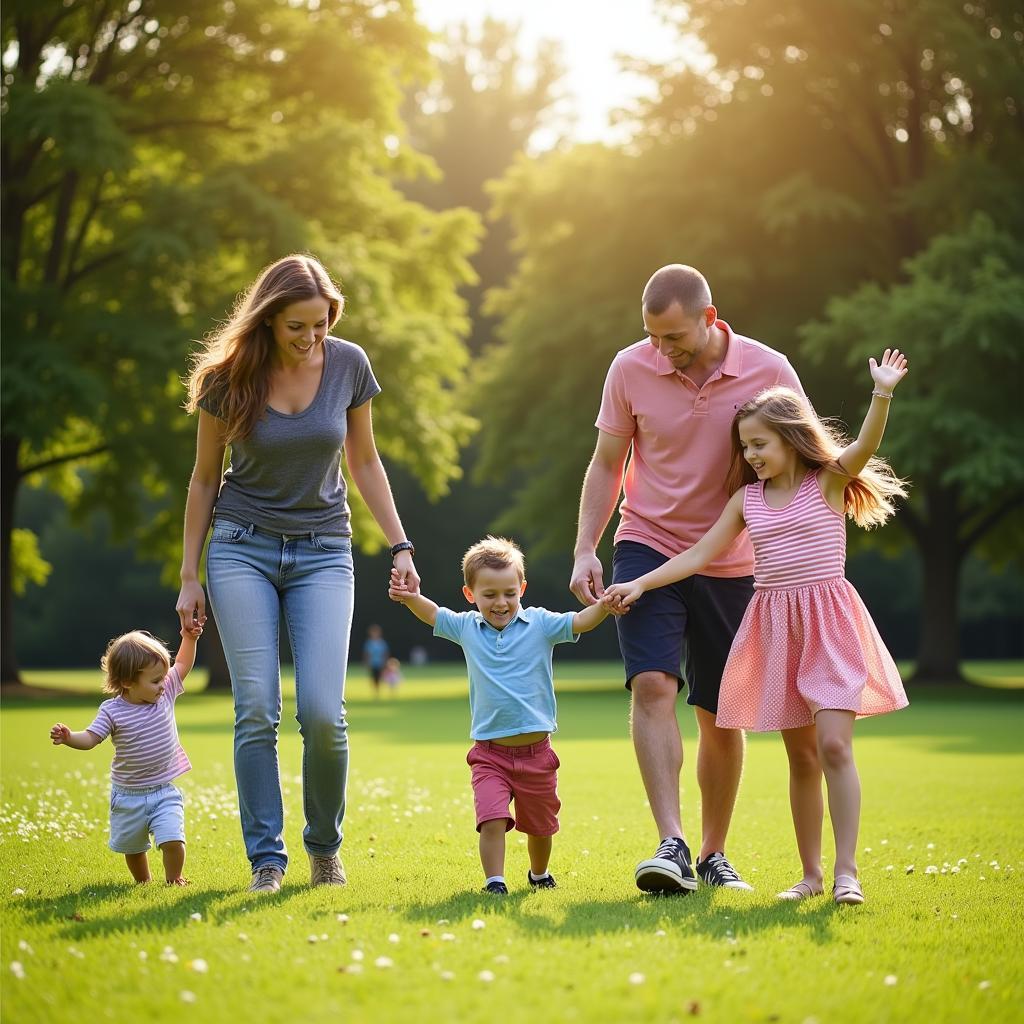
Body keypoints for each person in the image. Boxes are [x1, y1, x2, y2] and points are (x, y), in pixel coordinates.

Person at [604, 351, 911, 905]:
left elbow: (863, 446)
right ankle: (811, 875)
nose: (751, 455)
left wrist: (882, 392)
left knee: (834, 748)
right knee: (800, 756)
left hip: (829, 628)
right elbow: (697, 554)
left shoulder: (830, 482)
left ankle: (846, 873)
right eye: (744, 446)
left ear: (791, 438)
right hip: (778, 633)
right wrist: (642, 584)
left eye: (759, 444)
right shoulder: (746, 501)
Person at [175, 253, 419, 894]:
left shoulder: (348, 365)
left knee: (322, 711)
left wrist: (400, 545)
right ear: (267, 321)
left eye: (322, 322)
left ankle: (324, 848)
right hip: (240, 546)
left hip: (323, 551)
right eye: (297, 327)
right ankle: (266, 860)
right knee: (255, 707)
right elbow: (204, 479)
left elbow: (365, 461)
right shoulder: (228, 379)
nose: (312, 337)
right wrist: (188, 575)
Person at [570, 264, 804, 894]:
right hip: (648, 543)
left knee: (720, 714)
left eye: (674, 337)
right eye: (652, 336)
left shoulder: (770, 369)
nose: (661, 349)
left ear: (709, 317)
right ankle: (670, 843)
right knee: (651, 684)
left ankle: (713, 852)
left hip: (733, 559)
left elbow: (805, 465)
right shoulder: (630, 367)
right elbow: (604, 463)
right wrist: (585, 549)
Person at [388, 536, 619, 894]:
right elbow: (433, 613)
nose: (501, 603)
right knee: (491, 818)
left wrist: (604, 605)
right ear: (470, 594)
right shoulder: (467, 627)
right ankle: (494, 882)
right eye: (490, 595)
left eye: (509, 593)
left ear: (522, 588)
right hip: (489, 754)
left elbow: (580, 622)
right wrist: (408, 597)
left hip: (537, 754)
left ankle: (539, 873)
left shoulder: (541, 624)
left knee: (541, 827)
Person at [49, 626, 202, 885]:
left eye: (163, 677)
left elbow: (184, 663)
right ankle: (143, 882)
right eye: (155, 680)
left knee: (173, 839)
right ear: (128, 682)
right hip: (128, 795)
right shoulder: (112, 711)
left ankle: (174, 879)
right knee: (133, 848)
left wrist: (189, 637)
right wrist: (69, 737)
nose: (163, 684)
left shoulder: (165, 693)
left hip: (164, 790)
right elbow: (91, 738)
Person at [362, 624, 389, 697]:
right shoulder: (369, 643)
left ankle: (378, 690)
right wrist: (366, 663)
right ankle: (375, 691)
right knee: (373, 678)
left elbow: (385, 653)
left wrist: (385, 663)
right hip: (372, 663)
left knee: (379, 678)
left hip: (380, 663)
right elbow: (366, 654)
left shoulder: (382, 643)